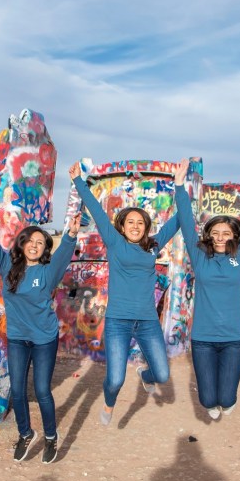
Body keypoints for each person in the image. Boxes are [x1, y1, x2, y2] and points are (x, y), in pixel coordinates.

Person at [68, 161, 180, 426]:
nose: (135, 225)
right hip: (118, 321)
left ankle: (146, 375)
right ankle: (109, 402)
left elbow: (179, 221)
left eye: (140, 222)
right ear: (122, 225)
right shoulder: (115, 242)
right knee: (116, 378)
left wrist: (184, 188)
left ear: (146, 227)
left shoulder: (153, 246)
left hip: (147, 322)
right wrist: (78, 182)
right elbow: (95, 210)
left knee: (162, 375)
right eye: (130, 222)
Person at [0, 210, 80, 464]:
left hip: (44, 339)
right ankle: (25, 433)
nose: (35, 246)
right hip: (18, 338)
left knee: (41, 390)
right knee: (17, 390)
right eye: (31, 241)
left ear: (44, 249)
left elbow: (63, 255)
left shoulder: (48, 272)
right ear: (22, 243)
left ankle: (51, 436)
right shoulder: (8, 267)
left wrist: (71, 234)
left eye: (41, 243)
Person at [173, 156, 240, 420]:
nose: (221, 237)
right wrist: (179, 186)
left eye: (226, 233)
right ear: (208, 236)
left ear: (235, 236)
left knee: (226, 398)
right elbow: (187, 225)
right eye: (215, 232)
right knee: (208, 400)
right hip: (203, 339)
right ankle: (213, 401)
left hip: (234, 338)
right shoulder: (200, 256)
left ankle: (228, 400)